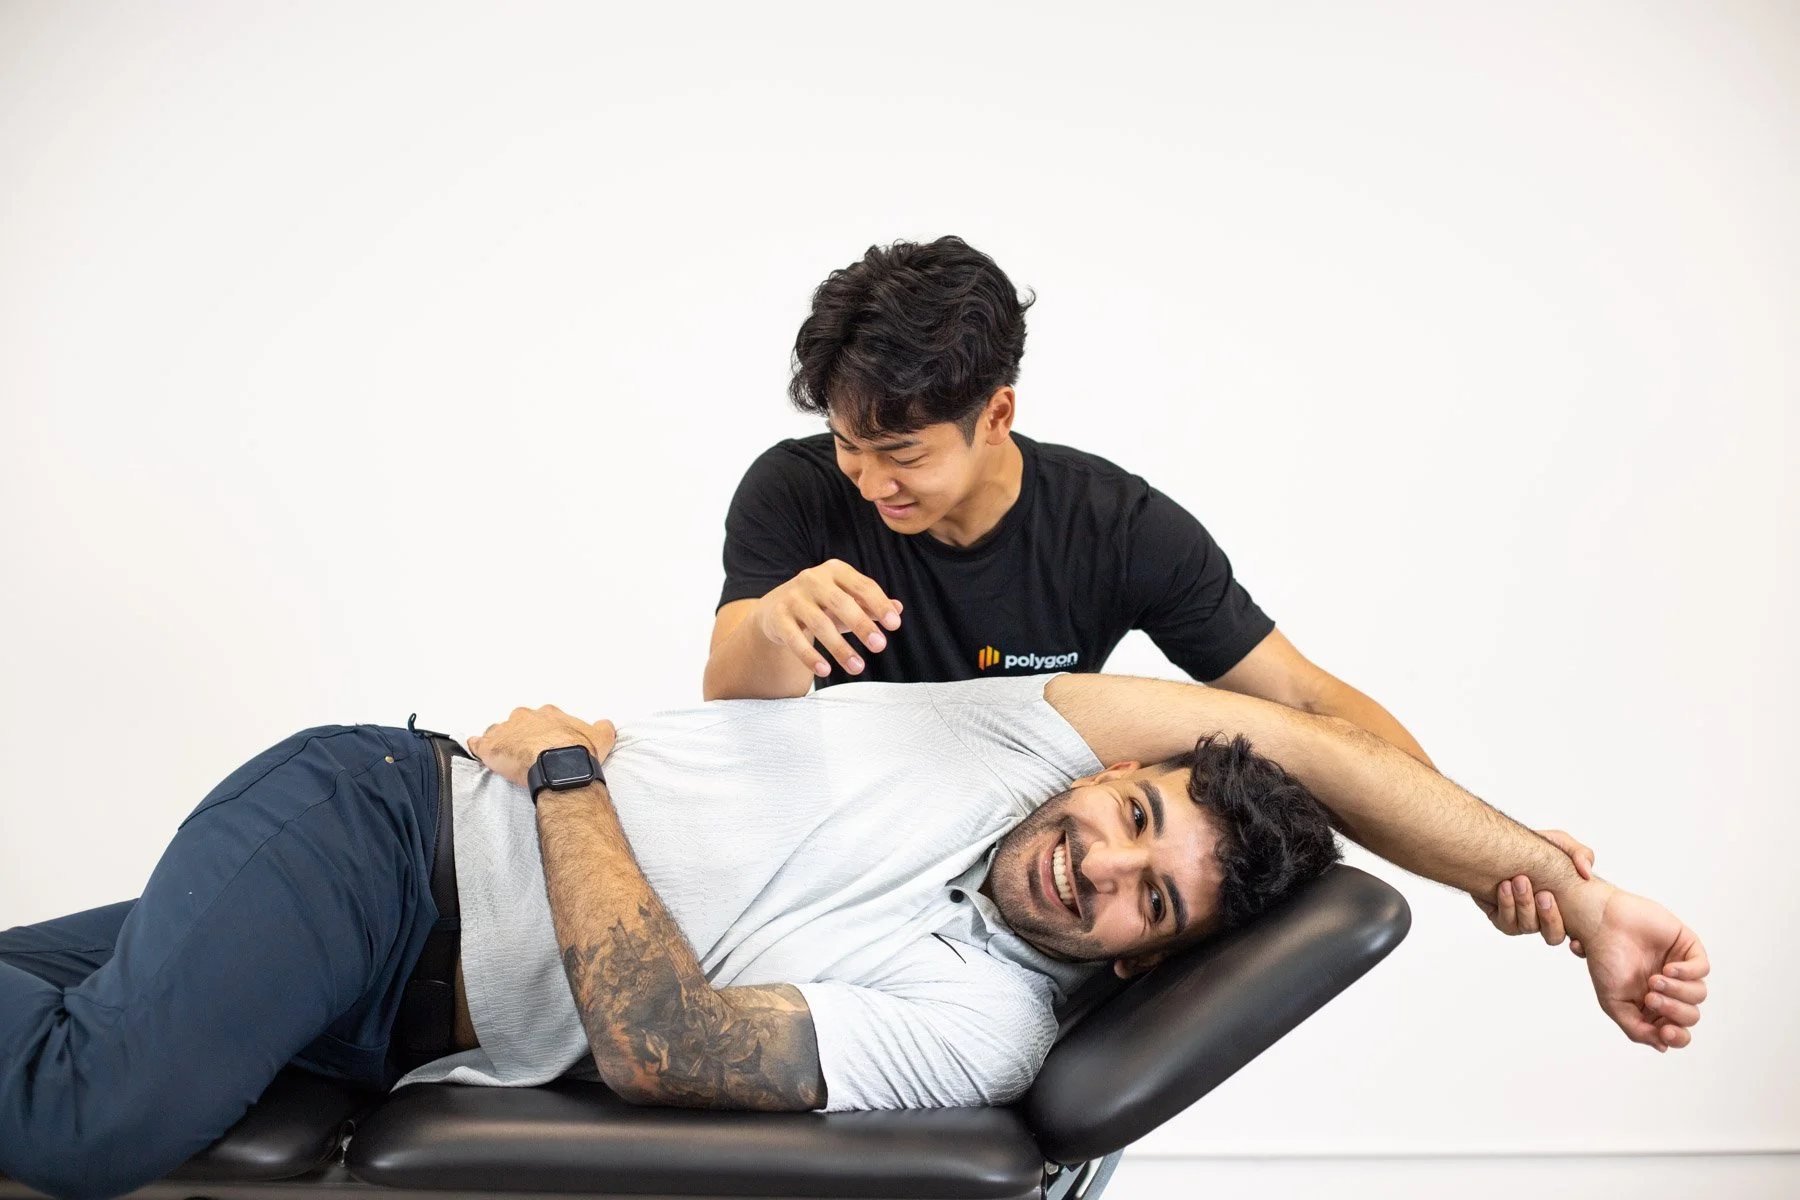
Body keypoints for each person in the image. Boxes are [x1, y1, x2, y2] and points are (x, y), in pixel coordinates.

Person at [0, 674, 1708, 1200]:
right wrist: (1578, 894)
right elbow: (1324, 744)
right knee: (91, 1120)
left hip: (389, 1005)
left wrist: (577, 770)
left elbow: (672, 1044)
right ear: (1112, 772)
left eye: (1154, 902)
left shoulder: (982, 1031)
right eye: (1130, 823)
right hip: (380, 840)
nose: (1104, 872)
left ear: (1147, 962)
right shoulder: (1022, 731)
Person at [706, 234, 1592, 942]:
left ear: (998, 414)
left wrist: (1480, 853)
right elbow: (730, 698)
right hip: (828, 863)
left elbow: (1307, 701)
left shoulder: (1117, 528)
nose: (867, 482)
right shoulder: (796, 489)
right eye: (848, 446)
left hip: (1038, 888)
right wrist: (775, 629)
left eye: (901, 455)